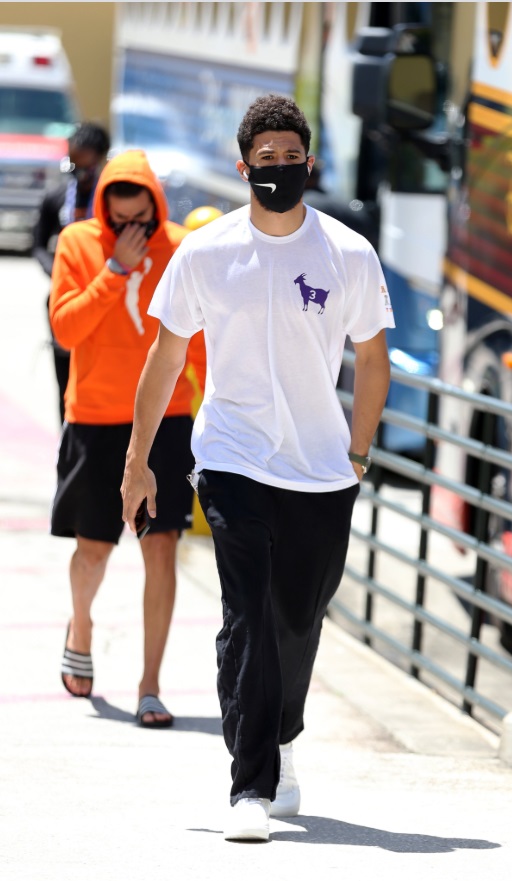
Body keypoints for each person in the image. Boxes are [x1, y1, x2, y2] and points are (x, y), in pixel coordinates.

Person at [121, 94, 394, 837]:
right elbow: (166, 353)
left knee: (295, 620)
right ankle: (250, 786)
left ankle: (282, 735)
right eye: (264, 160)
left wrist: (359, 450)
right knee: (246, 616)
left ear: (310, 162)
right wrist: (137, 460)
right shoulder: (208, 254)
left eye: (290, 157)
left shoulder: (346, 252)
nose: (278, 169)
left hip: (320, 469)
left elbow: (372, 356)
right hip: (232, 459)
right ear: (244, 168)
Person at [49, 149, 205, 728]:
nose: (133, 231)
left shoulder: (181, 248)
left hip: (167, 418)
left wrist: (213, 403)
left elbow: (201, 338)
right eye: (120, 220)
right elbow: (66, 330)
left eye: (142, 219)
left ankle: (150, 685)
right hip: (95, 415)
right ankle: (81, 626)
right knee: (93, 548)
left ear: (155, 207)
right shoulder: (79, 244)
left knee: (160, 545)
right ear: (104, 211)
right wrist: (113, 270)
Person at [33, 122, 110, 423]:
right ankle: (65, 432)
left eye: (86, 161)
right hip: (66, 297)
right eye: (74, 160)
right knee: (65, 377)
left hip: (106, 294)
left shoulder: (113, 198)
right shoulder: (56, 197)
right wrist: (58, 272)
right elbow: (38, 244)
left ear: (102, 157)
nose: (79, 169)